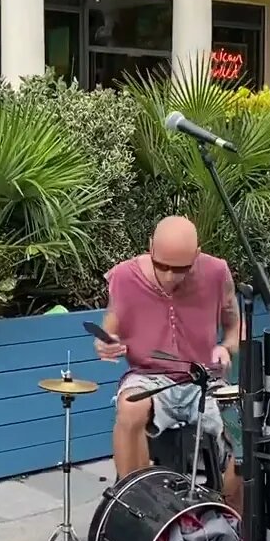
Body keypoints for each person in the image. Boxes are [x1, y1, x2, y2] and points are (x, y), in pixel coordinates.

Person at [95, 216, 242, 509]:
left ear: (197, 254)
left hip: (204, 377)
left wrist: (226, 348)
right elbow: (108, 329)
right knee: (130, 407)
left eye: (181, 269)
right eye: (162, 266)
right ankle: (136, 505)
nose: (170, 276)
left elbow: (236, 326)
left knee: (243, 432)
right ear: (150, 248)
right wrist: (106, 343)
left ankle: (231, 522)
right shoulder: (124, 276)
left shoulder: (216, 272)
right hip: (149, 376)